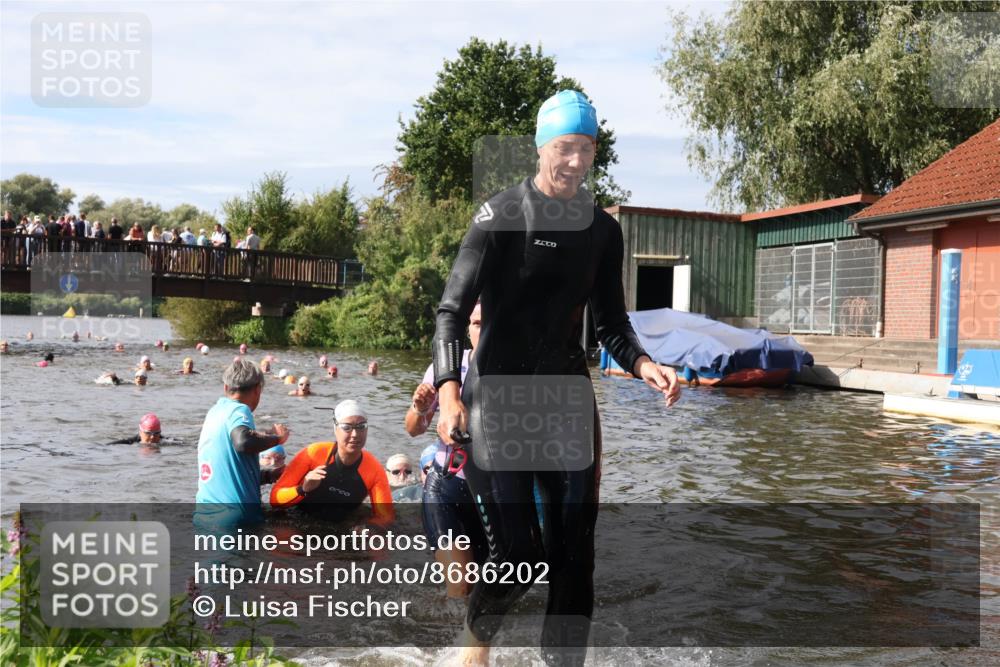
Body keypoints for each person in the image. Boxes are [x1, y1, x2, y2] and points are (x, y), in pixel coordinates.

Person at [432, 90, 681, 665]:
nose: (575, 162)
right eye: (565, 148)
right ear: (543, 146)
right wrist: (449, 395)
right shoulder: (499, 217)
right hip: (497, 399)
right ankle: (473, 644)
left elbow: (613, 324)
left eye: (587, 149)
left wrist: (644, 364)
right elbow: (450, 313)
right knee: (521, 552)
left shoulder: (600, 230)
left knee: (575, 555)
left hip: (567, 400)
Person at [407, 302, 487, 599]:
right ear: (468, 329)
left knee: (487, 586)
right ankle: (451, 645)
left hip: (492, 495)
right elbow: (413, 428)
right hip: (447, 487)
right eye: (477, 324)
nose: (483, 330)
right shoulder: (449, 367)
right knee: (462, 581)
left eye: (489, 323)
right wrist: (419, 407)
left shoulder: (515, 372)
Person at [194, 359, 289, 529]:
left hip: (204, 516)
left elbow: (230, 471)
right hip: (236, 519)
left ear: (225, 388)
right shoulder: (239, 409)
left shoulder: (214, 412)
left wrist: (269, 476)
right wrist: (278, 439)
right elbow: (243, 442)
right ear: (257, 390)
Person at [270, 400, 393, 526]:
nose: (355, 434)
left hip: (342, 528)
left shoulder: (374, 470)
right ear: (335, 429)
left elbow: (385, 517)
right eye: (347, 427)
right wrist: (303, 489)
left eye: (361, 427)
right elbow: (274, 499)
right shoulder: (313, 453)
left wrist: (368, 528)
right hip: (296, 519)